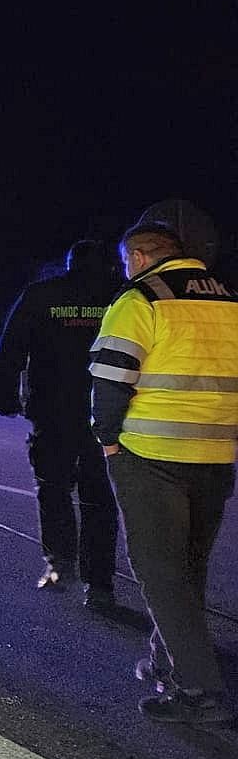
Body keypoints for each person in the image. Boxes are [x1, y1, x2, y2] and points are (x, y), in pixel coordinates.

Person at [90, 222, 238, 723]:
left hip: (151, 456)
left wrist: (108, 440)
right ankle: (167, 663)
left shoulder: (141, 299)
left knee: (159, 573)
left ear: (137, 256)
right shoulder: (230, 299)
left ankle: (200, 690)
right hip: (216, 457)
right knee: (186, 569)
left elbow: (111, 381)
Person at [0, 240, 123, 604]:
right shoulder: (121, 297)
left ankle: (59, 563)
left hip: (52, 412)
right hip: (107, 414)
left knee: (53, 488)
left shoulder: (42, 296)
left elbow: (12, 348)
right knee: (99, 497)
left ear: (70, 264)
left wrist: (5, 398)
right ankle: (99, 584)